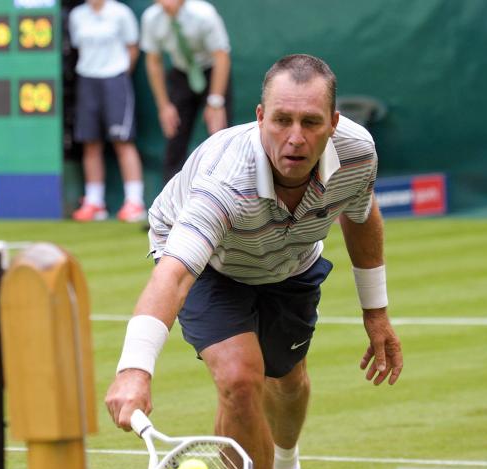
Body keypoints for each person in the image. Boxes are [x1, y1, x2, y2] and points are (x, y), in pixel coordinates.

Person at [105, 54, 403, 469]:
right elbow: (173, 277)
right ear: (260, 117)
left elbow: (360, 215)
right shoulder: (224, 182)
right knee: (240, 381)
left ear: (333, 124)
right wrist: (134, 369)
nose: (295, 137)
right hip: (214, 262)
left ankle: (286, 459)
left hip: (290, 262)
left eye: (311, 122)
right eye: (281, 120)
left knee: (287, 381)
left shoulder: (357, 154)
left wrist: (376, 313)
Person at [69, 0, 147, 222]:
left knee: (122, 141)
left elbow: (132, 49)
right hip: (87, 79)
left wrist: (118, 73)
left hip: (115, 80)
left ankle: (134, 202)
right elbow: (78, 47)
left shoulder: (121, 13)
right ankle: (94, 202)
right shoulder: (77, 15)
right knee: (90, 142)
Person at [140, 0, 232, 183]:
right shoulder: (151, 19)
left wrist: (215, 101)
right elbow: (153, 61)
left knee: (220, 136)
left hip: (212, 72)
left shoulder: (204, 14)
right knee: (174, 135)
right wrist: (164, 106)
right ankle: (170, 203)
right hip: (181, 75)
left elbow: (221, 56)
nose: (166, 3)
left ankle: (226, 194)